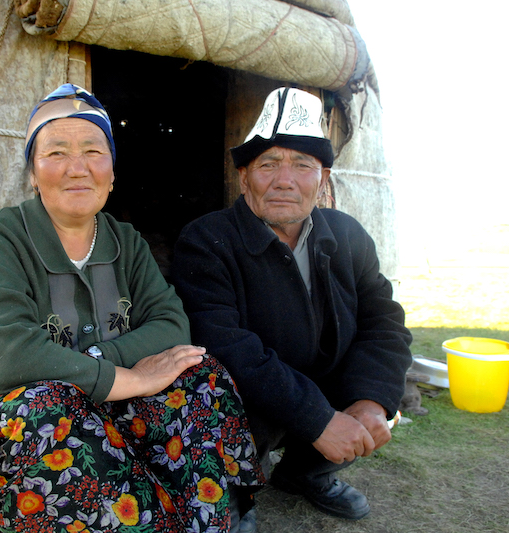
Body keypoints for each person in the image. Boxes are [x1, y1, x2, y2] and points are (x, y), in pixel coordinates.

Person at [0, 84, 263, 532]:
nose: (77, 168)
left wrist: (96, 367)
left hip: (99, 409)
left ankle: (210, 520)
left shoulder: (125, 240)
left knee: (200, 372)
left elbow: (170, 323)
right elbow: (8, 358)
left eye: (92, 151)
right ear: (32, 172)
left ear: (112, 171)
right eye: (56, 153)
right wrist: (132, 378)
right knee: (46, 405)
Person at [171, 87, 412, 521]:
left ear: (322, 180)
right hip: (249, 398)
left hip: (322, 382)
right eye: (268, 164)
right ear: (244, 178)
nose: (285, 179)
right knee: (213, 393)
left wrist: (371, 400)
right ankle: (234, 489)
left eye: (303, 165)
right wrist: (318, 418)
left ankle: (304, 473)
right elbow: (224, 344)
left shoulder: (347, 235)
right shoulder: (206, 240)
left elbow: (385, 322)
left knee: (372, 401)